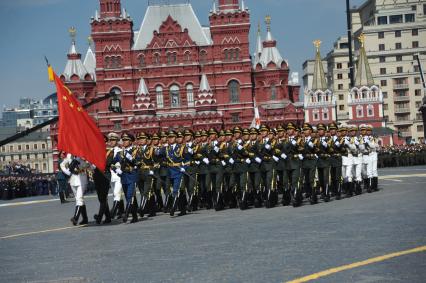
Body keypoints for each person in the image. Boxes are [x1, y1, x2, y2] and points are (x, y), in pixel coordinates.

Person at [60, 153, 89, 226]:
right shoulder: (69, 155)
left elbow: (88, 164)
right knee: (79, 199)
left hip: (81, 178)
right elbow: (62, 164)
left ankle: (75, 218)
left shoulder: (83, 154)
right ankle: (85, 219)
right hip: (73, 179)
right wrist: (68, 172)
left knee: (79, 199)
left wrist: (83, 160)